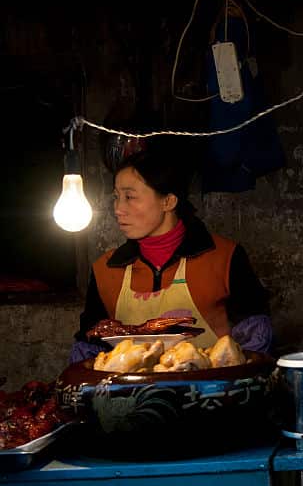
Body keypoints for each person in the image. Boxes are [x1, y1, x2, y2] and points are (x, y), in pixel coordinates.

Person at [71, 148, 272, 362]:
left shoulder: (225, 257)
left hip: (212, 392)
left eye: (130, 197)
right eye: (116, 197)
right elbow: (87, 352)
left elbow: (256, 348)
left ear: (168, 201)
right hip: (131, 394)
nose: (118, 209)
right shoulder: (106, 270)